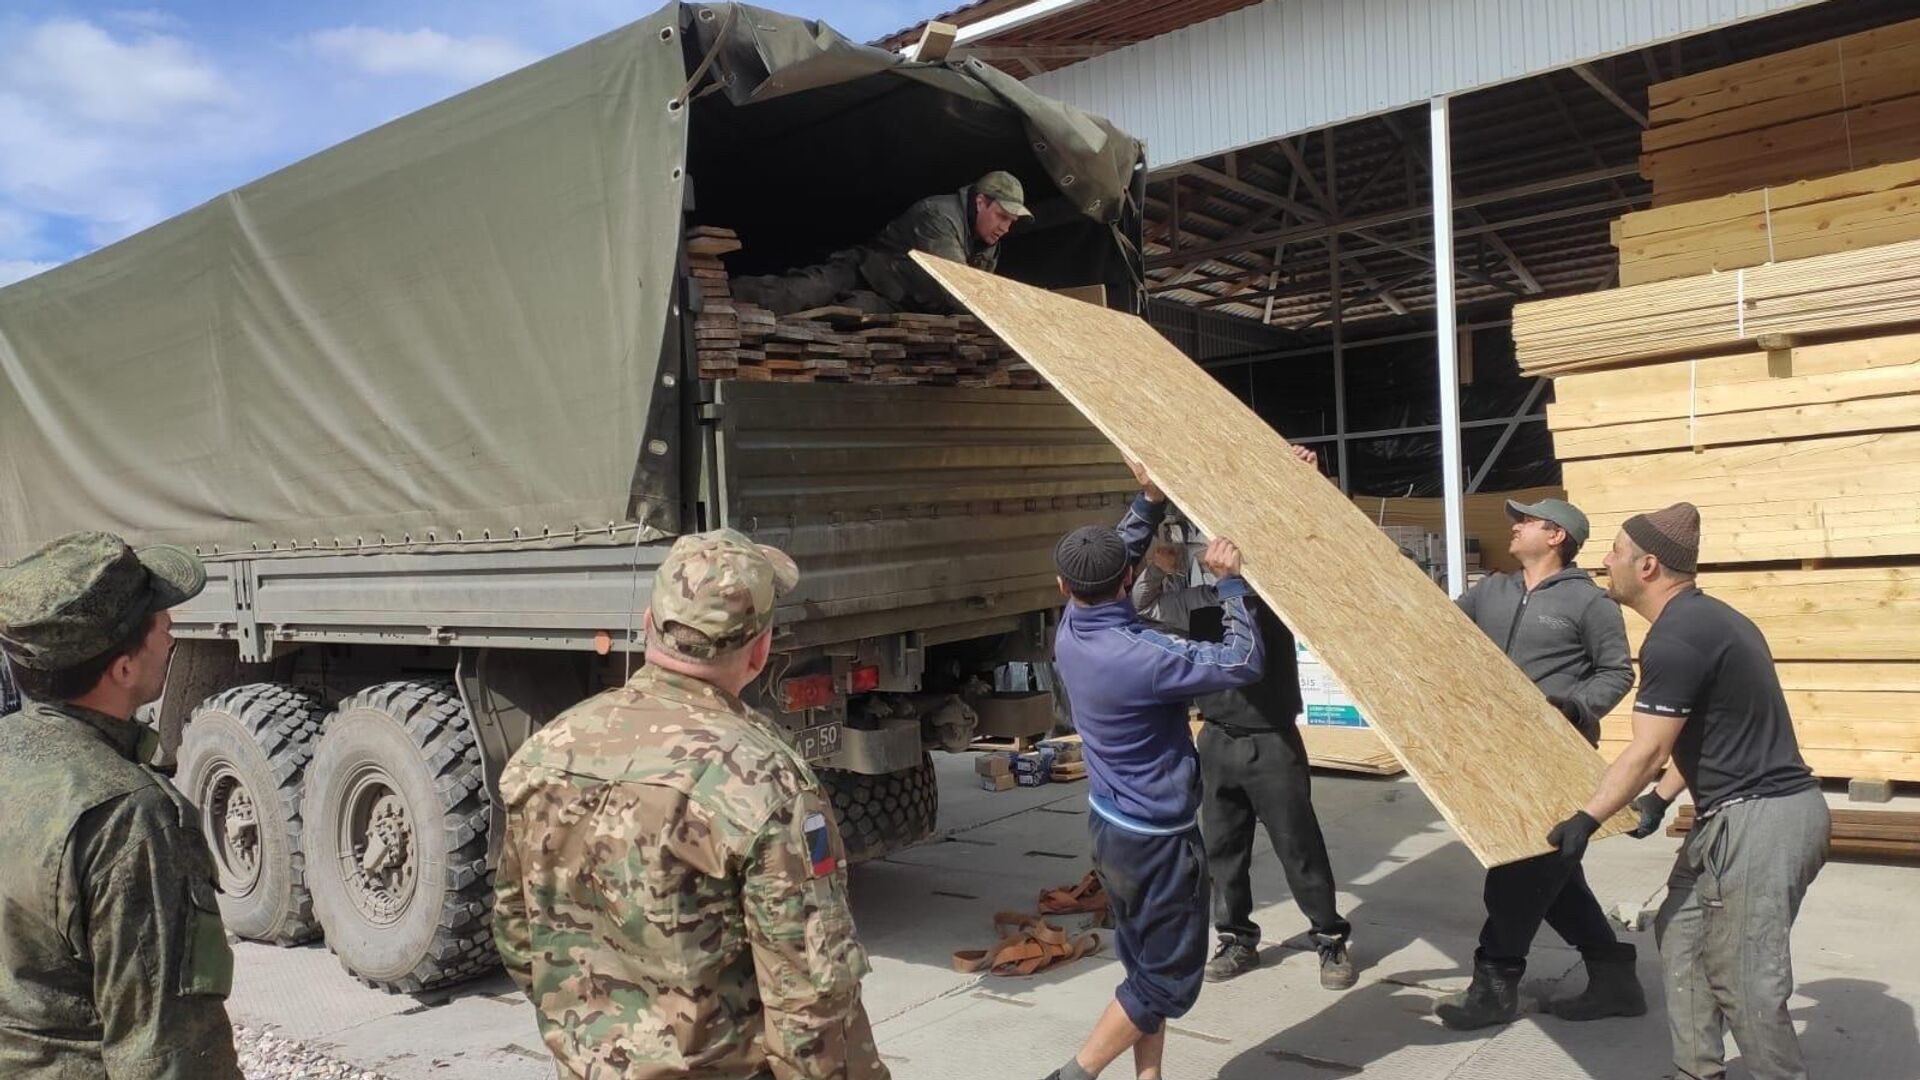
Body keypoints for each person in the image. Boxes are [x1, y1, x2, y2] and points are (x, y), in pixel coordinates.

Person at [493, 528, 888, 1080]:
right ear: (761, 650)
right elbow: (812, 1000)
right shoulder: (763, 781)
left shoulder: (545, 752)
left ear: (650, 626)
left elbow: (517, 935)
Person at [1566, 502, 1826, 1080]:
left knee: (1744, 976)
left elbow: (1649, 749)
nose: (1605, 562)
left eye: (1615, 552)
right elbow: (1703, 732)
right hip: (1735, 813)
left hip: (1764, 819)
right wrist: (1661, 798)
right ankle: (1696, 1071)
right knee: (1681, 932)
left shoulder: (1676, 638)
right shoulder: (1712, 620)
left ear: (1649, 565)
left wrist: (1587, 818)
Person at [1040, 460, 1265, 1080]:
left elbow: (1116, 558)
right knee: (1165, 985)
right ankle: (1074, 1075)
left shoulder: (1071, 631)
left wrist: (1148, 500)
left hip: (1112, 829)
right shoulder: (1144, 655)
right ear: (1131, 579)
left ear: (1063, 585)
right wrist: (1230, 584)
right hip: (1161, 844)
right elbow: (1241, 660)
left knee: (1142, 969)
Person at [0, 531, 242, 1079]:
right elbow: (167, 1054)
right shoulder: (129, 817)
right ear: (123, 669)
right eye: (157, 621)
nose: (170, 629)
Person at [1132, 447, 1355, 991]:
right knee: (1222, 849)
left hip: (1271, 741)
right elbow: (1138, 607)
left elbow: (1332, 554)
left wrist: (1309, 488)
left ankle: (1329, 939)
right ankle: (1235, 938)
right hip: (1216, 740)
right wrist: (1155, 559)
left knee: (1298, 846)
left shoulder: (1277, 596)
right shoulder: (1191, 601)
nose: (1217, 550)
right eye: (1211, 542)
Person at [1434, 497, 1638, 1031]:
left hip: (1554, 759)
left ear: (1555, 536)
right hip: (1494, 753)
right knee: (1552, 873)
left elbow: (1616, 673)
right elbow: (1438, 631)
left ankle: (1494, 986)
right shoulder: (1492, 591)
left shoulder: (1589, 604)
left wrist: (1575, 707)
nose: (1515, 526)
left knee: (1518, 876)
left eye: (1526, 521)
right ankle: (1615, 977)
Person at [732, 171, 1031, 315]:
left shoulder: (988, 242)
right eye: (1002, 216)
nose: (1005, 228)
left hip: (897, 301)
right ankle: (716, 294)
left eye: (1012, 222)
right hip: (864, 272)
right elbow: (959, 289)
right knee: (798, 292)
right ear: (980, 202)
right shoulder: (938, 216)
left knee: (846, 318)